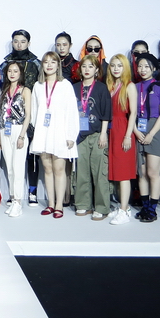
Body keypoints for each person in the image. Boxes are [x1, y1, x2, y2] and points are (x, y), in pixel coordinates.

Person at [30, 51, 78, 217]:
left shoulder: (65, 85)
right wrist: (37, 131)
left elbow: (72, 111)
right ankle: (50, 203)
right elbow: (34, 111)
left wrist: (71, 135)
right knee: (47, 168)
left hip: (60, 131)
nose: (49, 65)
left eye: (53, 62)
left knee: (59, 168)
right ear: (42, 65)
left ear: (58, 65)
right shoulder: (38, 86)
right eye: (46, 62)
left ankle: (59, 205)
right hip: (43, 131)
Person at [71, 53, 111, 220]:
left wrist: (103, 134)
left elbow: (106, 113)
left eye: (91, 66)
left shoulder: (101, 88)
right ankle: (83, 204)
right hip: (79, 136)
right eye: (84, 66)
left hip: (97, 134)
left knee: (100, 172)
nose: (87, 69)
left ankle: (102, 207)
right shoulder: (74, 88)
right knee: (82, 172)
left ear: (96, 70)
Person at [133, 54, 160, 222]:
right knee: (142, 173)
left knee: (153, 172)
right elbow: (129, 113)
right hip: (138, 128)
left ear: (154, 69)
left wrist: (151, 134)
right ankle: (145, 206)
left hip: (155, 129)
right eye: (140, 66)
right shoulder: (134, 87)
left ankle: (152, 209)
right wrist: (135, 131)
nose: (143, 70)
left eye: (146, 66)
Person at [104, 54, 136, 225]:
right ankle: (123, 207)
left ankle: (124, 210)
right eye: (113, 65)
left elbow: (133, 113)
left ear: (125, 67)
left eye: (119, 65)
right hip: (111, 130)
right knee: (115, 171)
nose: (116, 69)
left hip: (123, 129)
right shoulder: (110, 85)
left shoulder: (129, 86)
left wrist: (128, 135)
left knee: (123, 173)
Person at [0, 61, 32, 218]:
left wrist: (22, 135)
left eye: (15, 71)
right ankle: (12, 199)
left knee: (18, 168)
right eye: (10, 71)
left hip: (18, 130)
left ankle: (18, 201)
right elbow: (1, 114)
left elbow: (28, 115)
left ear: (20, 73)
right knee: (10, 168)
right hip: (5, 130)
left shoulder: (25, 90)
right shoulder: (5, 90)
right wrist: (0, 137)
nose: (12, 74)